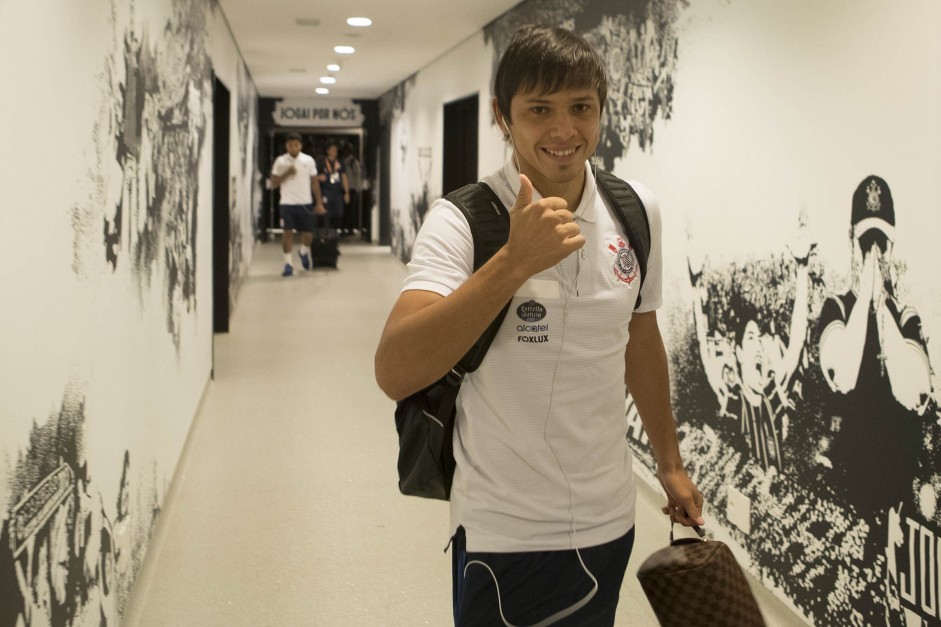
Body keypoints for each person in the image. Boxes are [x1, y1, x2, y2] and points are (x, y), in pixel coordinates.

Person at [375, 25, 703, 626]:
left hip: (610, 517)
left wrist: (669, 462)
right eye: (540, 110)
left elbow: (640, 341)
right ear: (503, 115)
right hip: (506, 529)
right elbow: (396, 369)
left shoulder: (634, 209)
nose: (563, 130)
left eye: (581, 107)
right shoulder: (462, 220)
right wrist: (512, 262)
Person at [817, 174, 931, 514]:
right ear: (852, 242)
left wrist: (882, 306)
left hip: (899, 493)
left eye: (882, 243)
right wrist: (866, 292)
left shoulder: (907, 317)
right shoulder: (835, 309)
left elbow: (912, 393)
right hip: (846, 491)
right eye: (866, 242)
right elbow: (843, 375)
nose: (874, 253)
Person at [688, 217, 812, 472]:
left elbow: (798, 339)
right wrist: (695, 284)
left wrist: (802, 269)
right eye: (752, 338)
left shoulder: (777, 394)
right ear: (740, 352)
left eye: (762, 339)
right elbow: (703, 343)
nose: (760, 348)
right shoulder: (731, 398)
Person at [270, 133, 325, 276]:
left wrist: (319, 203)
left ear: (300, 145)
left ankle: (303, 252)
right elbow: (273, 183)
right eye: (290, 145)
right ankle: (288, 264)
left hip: (305, 202)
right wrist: (286, 173)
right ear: (286, 146)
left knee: (308, 235)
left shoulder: (308, 160)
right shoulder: (280, 161)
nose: (293, 148)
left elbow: (314, 182)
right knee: (287, 233)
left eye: (296, 145)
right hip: (287, 203)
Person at [317, 142, 349, 231]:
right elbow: (315, 176)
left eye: (336, 150)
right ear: (327, 151)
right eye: (332, 149)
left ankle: (335, 230)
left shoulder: (340, 162)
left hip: (337, 191)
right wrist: (320, 177)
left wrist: (346, 192)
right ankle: (327, 234)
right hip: (326, 190)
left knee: (339, 213)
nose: (335, 151)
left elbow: (344, 177)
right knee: (327, 213)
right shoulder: (321, 162)